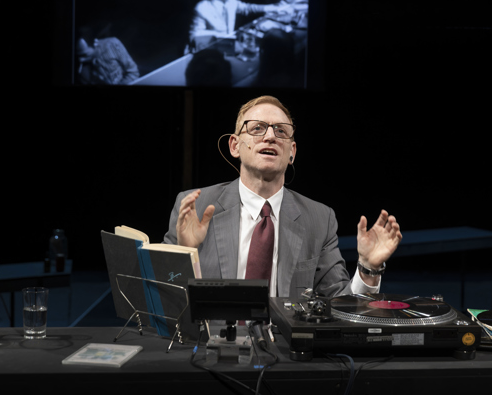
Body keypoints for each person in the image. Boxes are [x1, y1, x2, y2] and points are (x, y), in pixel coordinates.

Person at [163, 96, 402, 299]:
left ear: (292, 153)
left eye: (281, 131)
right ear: (235, 146)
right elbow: (162, 295)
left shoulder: (319, 219)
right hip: (214, 339)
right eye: (257, 128)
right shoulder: (196, 206)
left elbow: (340, 305)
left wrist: (368, 269)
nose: (270, 136)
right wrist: (184, 252)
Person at [189, 0, 292, 50]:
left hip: (228, 46)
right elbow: (194, 36)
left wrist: (272, 7)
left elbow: (247, 8)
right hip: (209, 50)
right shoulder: (202, 8)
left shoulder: (231, 1)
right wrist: (222, 35)